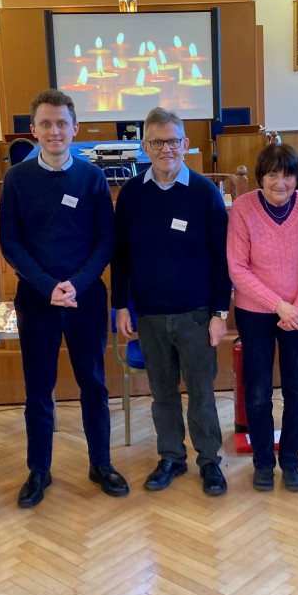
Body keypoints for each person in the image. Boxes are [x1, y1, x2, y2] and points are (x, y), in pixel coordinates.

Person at [0, 89, 129, 507]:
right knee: (39, 387)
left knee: (93, 383)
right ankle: (39, 470)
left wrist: (76, 284)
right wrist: (47, 286)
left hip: (86, 297)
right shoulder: (17, 179)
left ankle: (101, 463)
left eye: (61, 123)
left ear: (75, 128)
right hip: (37, 299)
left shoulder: (91, 178)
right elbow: (11, 242)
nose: (54, 130)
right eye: (45, 123)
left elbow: (106, 239)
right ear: (33, 130)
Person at [112, 107, 230, 496]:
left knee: (201, 392)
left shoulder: (204, 193)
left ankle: (209, 461)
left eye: (173, 141)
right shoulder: (130, 195)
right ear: (145, 146)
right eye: (158, 142)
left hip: (196, 315)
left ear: (186, 144)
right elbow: (122, 256)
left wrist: (218, 313)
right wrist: (121, 306)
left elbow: (220, 258)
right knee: (162, 394)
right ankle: (171, 457)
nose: (166, 149)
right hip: (148, 314)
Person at [226, 144, 298, 492]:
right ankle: (263, 461)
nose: (279, 183)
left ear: (297, 177)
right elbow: (237, 267)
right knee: (257, 390)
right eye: (271, 175)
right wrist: (278, 305)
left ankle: (292, 461)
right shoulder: (243, 207)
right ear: (260, 178)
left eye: (287, 175)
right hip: (255, 313)